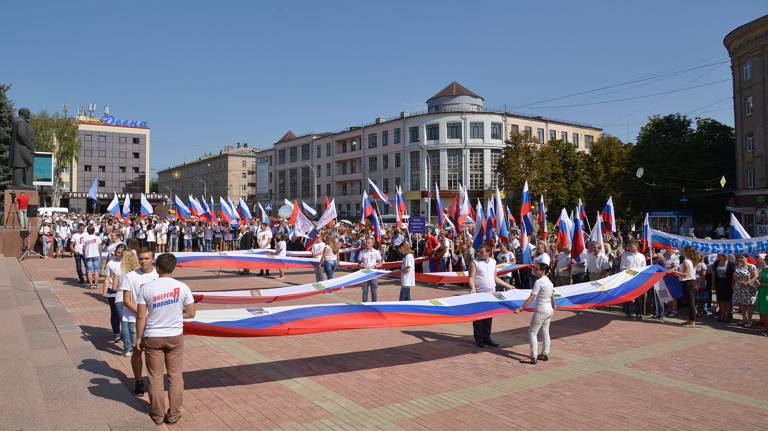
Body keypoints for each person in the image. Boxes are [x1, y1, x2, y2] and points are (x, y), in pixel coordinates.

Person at [135, 253, 196, 425]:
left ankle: (157, 415)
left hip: (153, 336)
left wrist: (138, 337)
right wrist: (177, 313)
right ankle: (174, 414)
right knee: (175, 376)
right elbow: (191, 313)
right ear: (173, 267)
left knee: (155, 377)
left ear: (157, 268)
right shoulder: (183, 287)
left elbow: (141, 317)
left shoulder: (146, 288)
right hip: (174, 335)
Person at [121, 248, 159, 396]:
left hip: (154, 322)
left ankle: (153, 381)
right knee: (137, 352)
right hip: (134, 320)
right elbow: (126, 300)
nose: (143, 261)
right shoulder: (131, 276)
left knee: (153, 354)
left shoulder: (158, 275)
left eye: (146, 258)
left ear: (153, 258)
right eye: (141, 259)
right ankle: (138, 381)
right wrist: (143, 313)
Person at [467, 244, 514, 348]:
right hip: (479, 294)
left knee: (488, 318)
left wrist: (508, 285)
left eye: (482, 252)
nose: (479, 253)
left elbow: (495, 278)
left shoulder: (493, 262)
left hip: (491, 294)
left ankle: (487, 338)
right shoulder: (474, 262)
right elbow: (471, 277)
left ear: (488, 252)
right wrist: (473, 288)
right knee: (478, 318)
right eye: (479, 251)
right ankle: (479, 340)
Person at [515, 263, 556, 364]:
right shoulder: (549, 281)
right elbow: (552, 294)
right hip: (549, 309)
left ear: (542, 271)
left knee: (532, 333)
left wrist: (521, 308)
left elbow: (532, 297)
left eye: (537, 269)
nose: (535, 270)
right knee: (545, 331)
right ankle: (544, 353)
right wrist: (554, 305)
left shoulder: (539, 282)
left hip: (542, 310)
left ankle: (533, 357)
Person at [102, 244, 126, 341]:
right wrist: (104, 291)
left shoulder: (128, 264)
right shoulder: (110, 263)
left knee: (125, 314)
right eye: (117, 251)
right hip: (112, 291)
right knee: (114, 313)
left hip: (125, 291)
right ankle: (116, 333)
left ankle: (125, 334)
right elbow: (107, 278)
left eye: (120, 252)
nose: (117, 254)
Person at [620, 241, 647, 319]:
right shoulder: (625, 255)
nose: (629, 247)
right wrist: (632, 272)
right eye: (629, 246)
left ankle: (639, 313)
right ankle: (628, 312)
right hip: (627, 278)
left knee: (638, 297)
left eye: (631, 246)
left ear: (636, 246)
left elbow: (643, 268)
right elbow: (622, 267)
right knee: (628, 296)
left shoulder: (641, 256)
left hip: (638, 279)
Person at [673, 246, 698, 327]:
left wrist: (675, 272)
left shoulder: (686, 261)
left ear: (687, 252)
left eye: (684, 251)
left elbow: (685, 274)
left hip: (688, 283)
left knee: (691, 303)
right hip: (691, 282)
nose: (682, 252)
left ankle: (692, 321)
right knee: (690, 302)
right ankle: (690, 320)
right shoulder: (691, 261)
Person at [732, 254, 758, 328]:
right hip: (739, 287)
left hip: (748, 288)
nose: (740, 258)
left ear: (746, 258)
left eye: (742, 257)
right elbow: (734, 276)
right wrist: (738, 281)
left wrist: (748, 282)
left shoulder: (751, 266)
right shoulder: (738, 266)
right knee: (742, 304)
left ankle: (749, 320)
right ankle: (744, 319)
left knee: (749, 304)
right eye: (739, 257)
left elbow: (756, 276)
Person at [358, 237, 383, 302]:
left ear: (372, 243)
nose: (367, 244)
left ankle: (374, 305)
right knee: (365, 291)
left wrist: (374, 266)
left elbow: (380, 264)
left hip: (373, 273)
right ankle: (364, 306)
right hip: (364, 273)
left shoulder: (376, 252)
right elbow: (359, 264)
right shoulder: (362, 252)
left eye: (368, 242)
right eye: (366, 242)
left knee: (374, 291)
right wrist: (364, 267)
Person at [712, 254, 735, 322]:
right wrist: (713, 284)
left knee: (728, 300)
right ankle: (722, 315)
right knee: (720, 300)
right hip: (719, 283)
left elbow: (733, 275)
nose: (718, 256)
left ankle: (727, 315)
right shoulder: (716, 263)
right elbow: (714, 274)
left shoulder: (731, 263)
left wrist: (733, 284)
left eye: (720, 255)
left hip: (728, 284)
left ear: (724, 256)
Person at [756, 263, 768, 336]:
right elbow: (759, 279)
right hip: (762, 292)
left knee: (766, 311)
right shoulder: (764, 269)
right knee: (763, 311)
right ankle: (766, 328)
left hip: (766, 293)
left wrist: (763, 284)